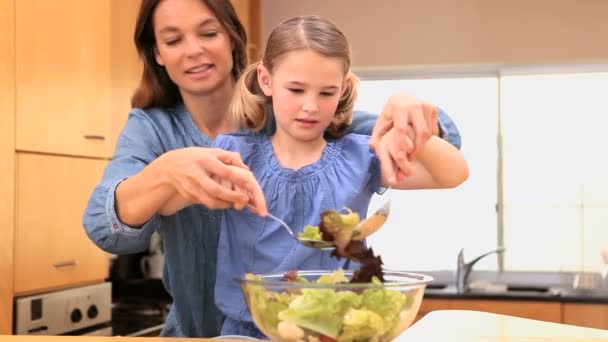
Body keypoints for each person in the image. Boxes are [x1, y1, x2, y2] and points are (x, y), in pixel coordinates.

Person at [82, 0, 463, 337]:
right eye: (173, 39)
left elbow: (431, 150)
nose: (310, 107)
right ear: (157, 53)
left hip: (327, 329)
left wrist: (405, 109)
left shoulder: (344, 144)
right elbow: (110, 227)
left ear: (232, 38)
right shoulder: (177, 137)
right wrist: (165, 175)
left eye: (208, 32)